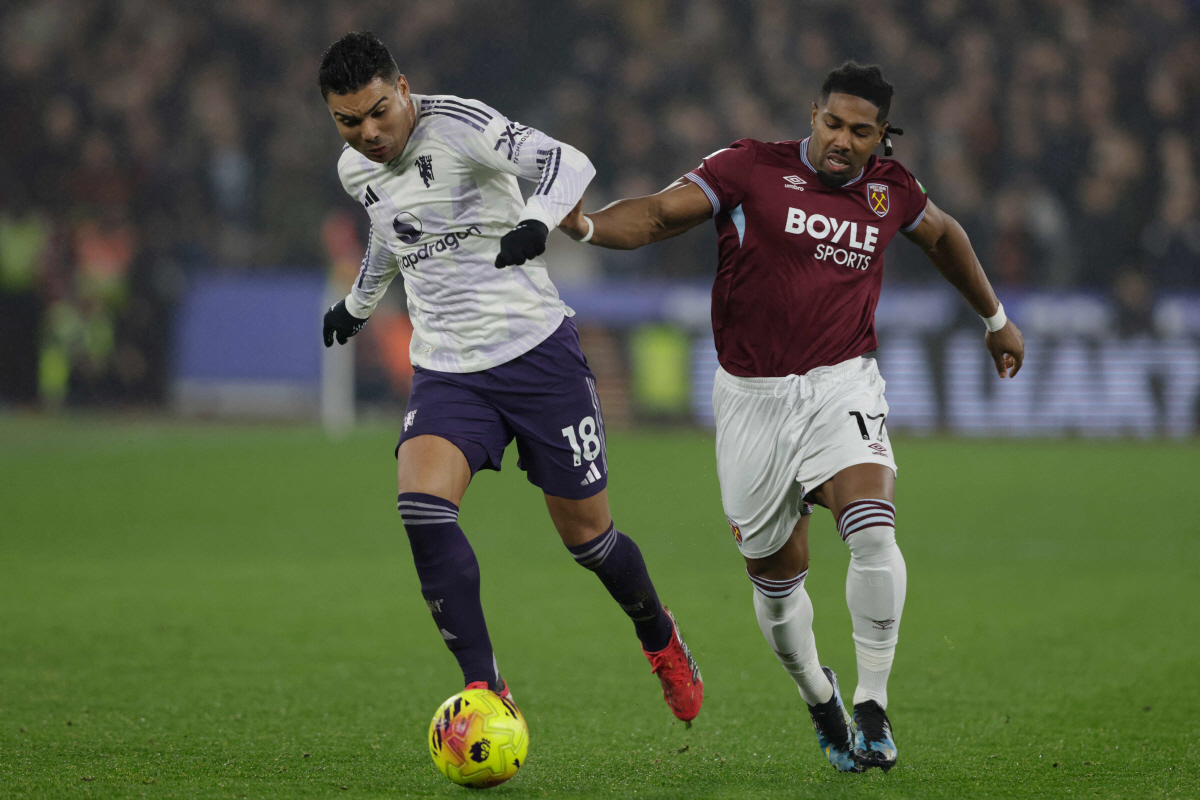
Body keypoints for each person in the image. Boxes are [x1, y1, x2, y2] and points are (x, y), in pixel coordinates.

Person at [558, 62, 1025, 772]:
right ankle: (820, 695)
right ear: (813, 113)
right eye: (832, 123)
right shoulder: (750, 168)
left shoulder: (889, 191)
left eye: (860, 131)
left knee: (871, 526)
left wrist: (994, 318)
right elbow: (657, 214)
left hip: (843, 385)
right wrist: (588, 226)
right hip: (751, 400)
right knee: (778, 588)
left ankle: (872, 702)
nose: (842, 140)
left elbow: (944, 236)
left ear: (881, 136)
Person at [317, 31, 702, 722]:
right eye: (349, 121)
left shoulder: (460, 124)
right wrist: (357, 305)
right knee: (423, 511)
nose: (368, 133)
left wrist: (534, 219)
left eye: (378, 111)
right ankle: (486, 690)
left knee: (590, 539)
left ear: (402, 88)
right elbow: (387, 231)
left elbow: (568, 162)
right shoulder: (355, 168)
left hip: (536, 356)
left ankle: (660, 636)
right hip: (447, 369)